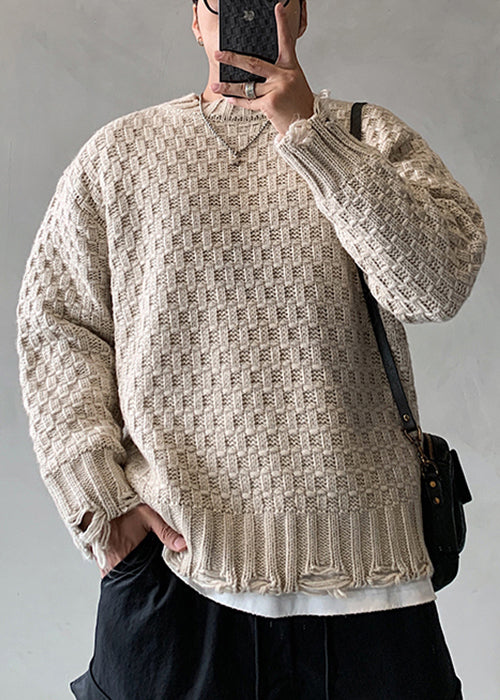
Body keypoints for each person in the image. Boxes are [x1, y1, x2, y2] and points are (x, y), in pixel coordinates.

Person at [16, 0, 486, 697]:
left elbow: (434, 288)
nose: (247, 10)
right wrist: (97, 499)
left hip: (370, 578)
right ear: (196, 20)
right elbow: (57, 324)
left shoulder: (367, 135)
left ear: (299, 16)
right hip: (177, 575)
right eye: (224, 0)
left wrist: (310, 134)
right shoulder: (119, 154)